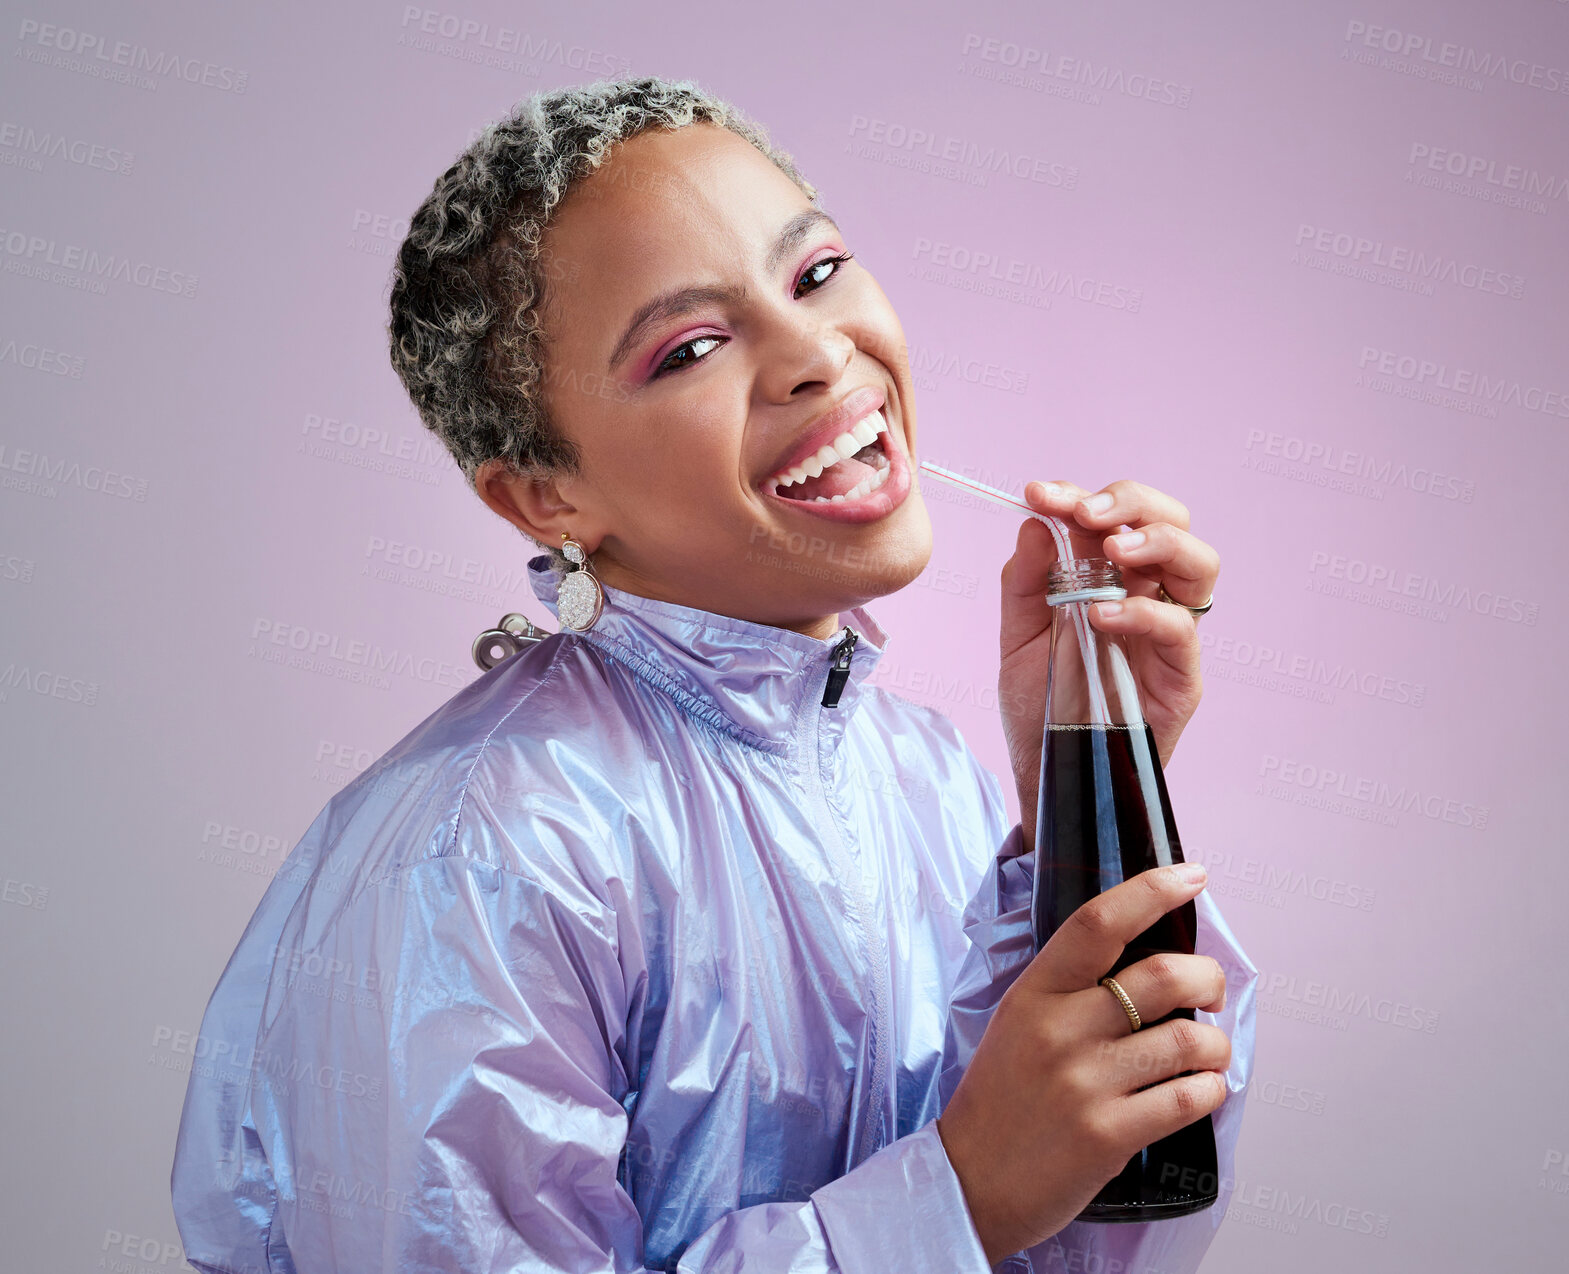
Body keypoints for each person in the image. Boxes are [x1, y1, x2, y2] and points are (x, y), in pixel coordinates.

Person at [170, 75, 1255, 1273]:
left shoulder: (924, 773)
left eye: (817, 272)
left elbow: (1099, 1236)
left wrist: (1089, 795)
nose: (815, 354)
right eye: (690, 347)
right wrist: (956, 1196)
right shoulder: (480, 859)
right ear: (548, 496)